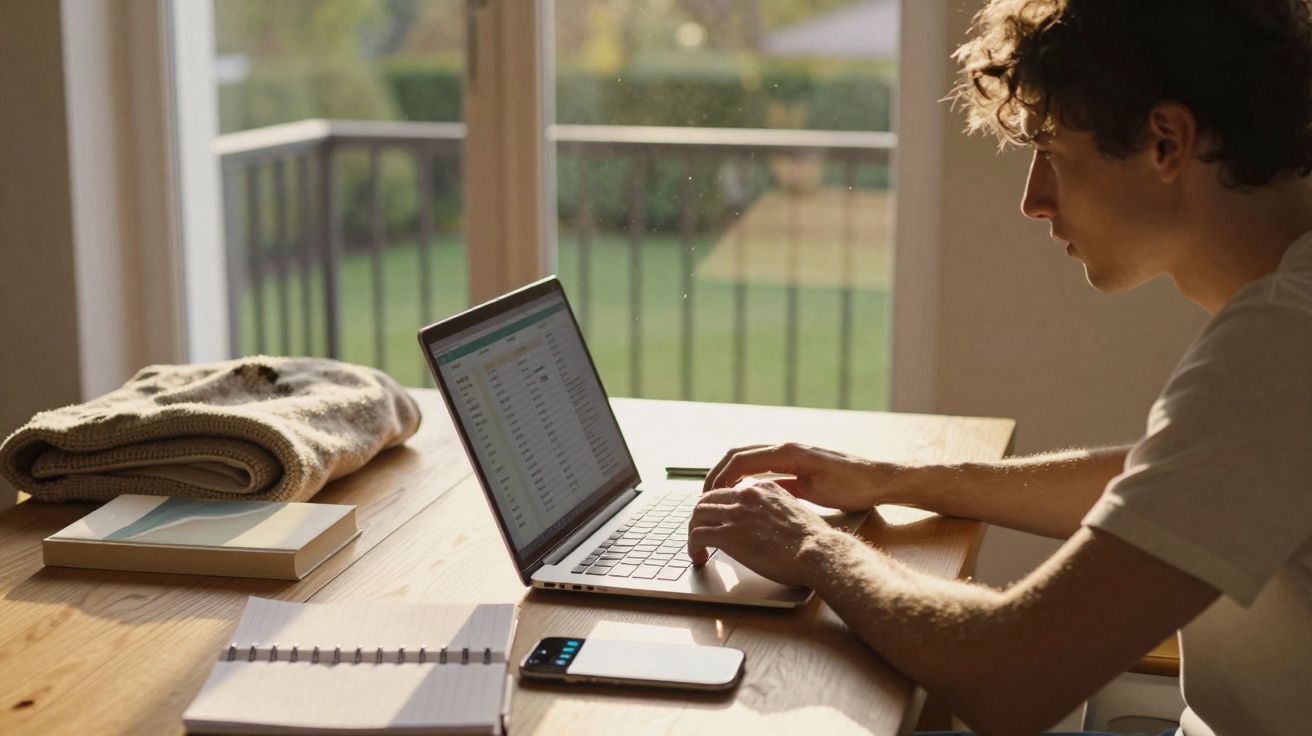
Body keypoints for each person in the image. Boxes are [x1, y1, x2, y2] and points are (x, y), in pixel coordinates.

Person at [687, 1, 1312, 734]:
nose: (1032, 200)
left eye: (1051, 151)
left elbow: (1010, 674)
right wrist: (893, 479)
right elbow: (1179, 483)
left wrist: (809, 544)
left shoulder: (1283, 340)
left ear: (1165, 142)